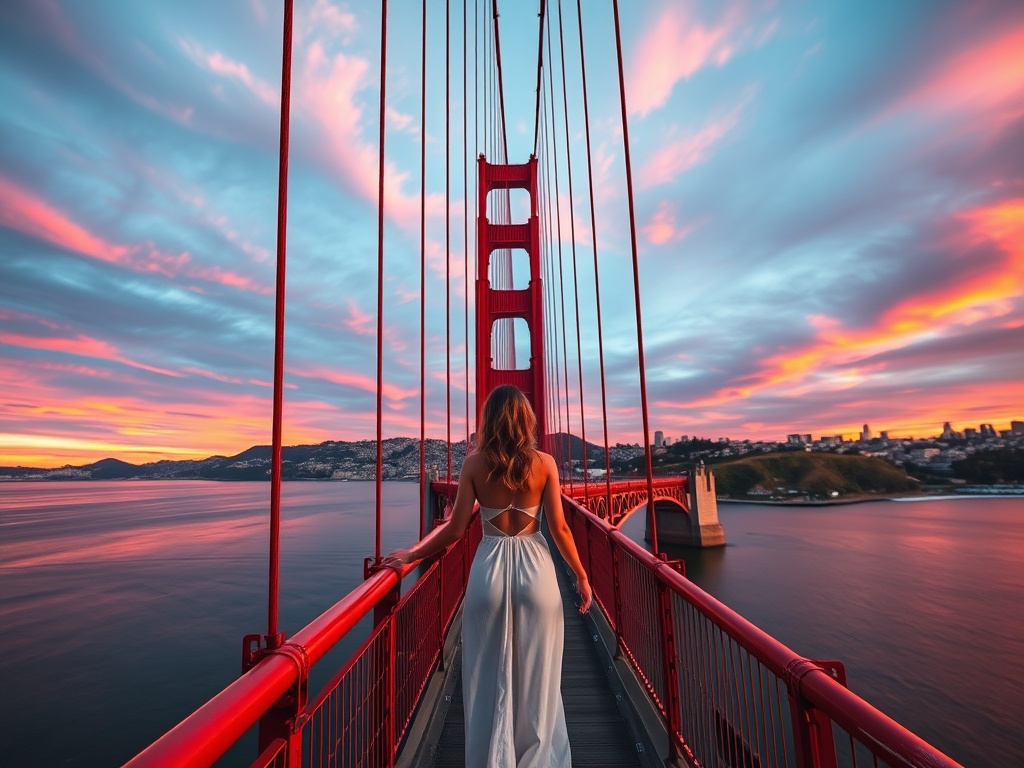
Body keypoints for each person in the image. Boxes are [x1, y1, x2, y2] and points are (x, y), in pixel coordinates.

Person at [385, 384, 591, 767]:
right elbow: (561, 529)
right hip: (537, 573)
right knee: (538, 679)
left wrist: (411, 553)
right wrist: (580, 576)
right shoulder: (545, 463)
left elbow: (454, 530)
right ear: (526, 419)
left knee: (487, 679)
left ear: (488, 421)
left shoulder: (474, 465)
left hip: (489, 572)